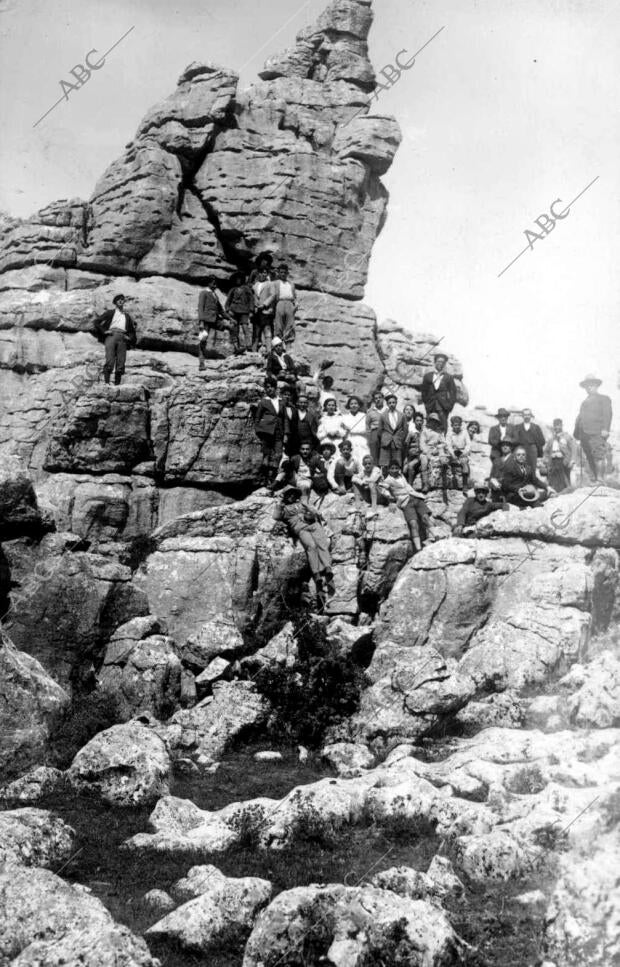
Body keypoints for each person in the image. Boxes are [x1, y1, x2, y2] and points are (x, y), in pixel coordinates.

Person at [273, 486, 334, 596]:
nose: (291, 496)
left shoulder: (301, 504)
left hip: (313, 524)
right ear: (285, 496)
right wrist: (278, 503)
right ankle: (316, 574)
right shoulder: (284, 508)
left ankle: (327, 568)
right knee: (311, 546)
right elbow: (276, 517)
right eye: (289, 494)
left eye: (293, 494)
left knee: (322, 543)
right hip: (300, 528)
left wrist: (308, 509)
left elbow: (315, 512)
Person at [379, 460, 433, 552]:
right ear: (389, 470)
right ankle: (418, 548)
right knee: (413, 523)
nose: (395, 470)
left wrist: (420, 495)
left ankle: (436, 536)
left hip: (415, 498)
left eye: (396, 468)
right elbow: (383, 489)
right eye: (392, 469)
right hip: (405, 502)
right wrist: (390, 501)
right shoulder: (387, 480)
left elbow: (408, 487)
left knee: (426, 518)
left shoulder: (401, 476)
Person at [573, 374, 613, 482]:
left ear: (596, 386)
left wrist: (605, 429)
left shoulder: (603, 399)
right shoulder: (584, 402)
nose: (589, 387)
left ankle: (600, 479)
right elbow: (580, 418)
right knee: (589, 456)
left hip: (597, 432)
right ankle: (595, 478)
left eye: (591, 385)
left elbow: (607, 414)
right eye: (587, 385)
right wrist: (576, 433)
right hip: (584, 435)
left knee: (598, 455)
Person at [95, 294, 137, 385]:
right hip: (111, 335)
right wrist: (104, 331)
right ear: (115, 302)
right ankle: (107, 383)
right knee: (110, 359)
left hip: (122, 337)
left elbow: (132, 330)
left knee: (121, 361)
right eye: (118, 300)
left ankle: (117, 384)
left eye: (122, 300)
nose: (121, 301)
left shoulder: (127, 316)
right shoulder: (110, 313)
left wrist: (129, 338)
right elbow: (97, 322)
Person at [253, 378, 284, 486]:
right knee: (266, 455)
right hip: (267, 433)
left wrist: (287, 433)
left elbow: (284, 418)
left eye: (271, 387)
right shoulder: (263, 402)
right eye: (267, 387)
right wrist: (259, 431)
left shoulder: (281, 401)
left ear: (275, 388)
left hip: (279, 432)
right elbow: (257, 418)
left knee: (278, 454)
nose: (269, 389)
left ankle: (273, 478)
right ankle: (265, 479)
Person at [420, 352, 457, 432]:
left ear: (445, 364)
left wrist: (449, 406)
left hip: (443, 406)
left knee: (443, 425)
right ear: (435, 362)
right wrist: (426, 402)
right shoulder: (428, 376)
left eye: (443, 362)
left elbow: (453, 392)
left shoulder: (449, 377)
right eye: (439, 361)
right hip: (430, 405)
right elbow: (424, 391)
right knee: (429, 424)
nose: (440, 363)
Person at [197, 277, 226, 364]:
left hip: (215, 320)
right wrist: (201, 321)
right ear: (209, 284)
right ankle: (201, 362)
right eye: (213, 283)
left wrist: (230, 318)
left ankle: (237, 348)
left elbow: (221, 310)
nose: (215, 285)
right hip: (206, 320)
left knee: (230, 327)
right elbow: (200, 307)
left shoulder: (215, 295)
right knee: (203, 339)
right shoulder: (204, 293)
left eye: (216, 284)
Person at [419, 412, 450, 492]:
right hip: (426, 451)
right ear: (429, 421)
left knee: (443, 459)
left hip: (436, 450)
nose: (434, 423)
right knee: (424, 462)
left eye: (435, 421)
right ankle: (426, 484)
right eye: (432, 421)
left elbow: (444, 442)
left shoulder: (439, 432)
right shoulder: (425, 431)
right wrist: (427, 452)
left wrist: (438, 447)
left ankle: (443, 482)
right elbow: (422, 444)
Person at [225, 272, 254, 354]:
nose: (238, 280)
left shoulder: (247, 289)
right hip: (233, 311)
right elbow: (228, 301)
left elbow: (251, 299)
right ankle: (236, 347)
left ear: (242, 279)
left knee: (245, 328)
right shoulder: (233, 289)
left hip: (244, 311)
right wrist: (227, 310)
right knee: (234, 329)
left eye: (239, 279)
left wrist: (251, 310)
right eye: (236, 279)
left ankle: (249, 346)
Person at [543, 419, 574, 492]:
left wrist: (572, 461)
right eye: (555, 426)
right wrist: (546, 459)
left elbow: (573, 449)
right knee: (552, 480)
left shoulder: (567, 437)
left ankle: (566, 492)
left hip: (563, 461)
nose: (557, 427)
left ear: (561, 426)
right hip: (553, 461)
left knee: (565, 480)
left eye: (558, 425)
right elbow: (546, 451)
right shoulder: (551, 438)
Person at [378, 393, 407, 469]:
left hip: (397, 442)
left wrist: (401, 439)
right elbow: (379, 430)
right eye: (390, 403)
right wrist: (384, 439)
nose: (392, 404)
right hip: (386, 443)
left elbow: (405, 430)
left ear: (396, 403)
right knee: (385, 464)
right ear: (387, 404)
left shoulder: (402, 415)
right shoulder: (383, 415)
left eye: (393, 402)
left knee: (397, 463)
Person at [272, 264, 297, 345]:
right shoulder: (275, 283)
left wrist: (296, 304)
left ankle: (288, 344)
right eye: (281, 272)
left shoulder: (291, 284)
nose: (283, 274)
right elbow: (272, 295)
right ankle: (278, 345)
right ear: (279, 273)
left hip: (289, 303)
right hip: (280, 303)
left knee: (290, 324)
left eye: (285, 272)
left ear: (287, 273)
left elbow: (294, 296)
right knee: (278, 325)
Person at [252, 267, 275, 353]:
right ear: (258, 274)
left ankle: (269, 351)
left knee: (267, 330)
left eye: (265, 273)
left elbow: (273, 295)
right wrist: (255, 306)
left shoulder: (270, 284)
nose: (263, 274)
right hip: (257, 311)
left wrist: (264, 304)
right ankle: (253, 351)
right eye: (261, 273)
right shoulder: (256, 284)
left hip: (266, 310)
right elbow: (254, 296)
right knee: (256, 331)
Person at [446, 415, 471, 493]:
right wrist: (452, 454)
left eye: (458, 425)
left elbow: (468, 444)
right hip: (453, 452)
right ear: (452, 425)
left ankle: (465, 485)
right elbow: (448, 445)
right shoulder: (449, 433)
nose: (457, 427)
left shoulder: (464, 432)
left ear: (461, 425)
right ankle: (449, 484)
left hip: (462, 452)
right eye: (455, 425)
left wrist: (464, 453)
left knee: (464, 463)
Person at [341, 396, 370, 464]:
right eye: (351, 404)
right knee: (351, 461)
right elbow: (342, 431)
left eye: (356, 403)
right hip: (350, 440)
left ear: (359, 405)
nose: (354, 406)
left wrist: (350, 429)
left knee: (363, 459)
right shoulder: (344, 417)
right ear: (349, 405)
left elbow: (364, 429)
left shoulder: (364, 416)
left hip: (362, 440)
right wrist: (345, 430)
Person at [365, 390, 387, 465]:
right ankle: (375, 471)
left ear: (383, 399)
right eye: (376, 398)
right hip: (374, 433)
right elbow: (367, 426)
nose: (378, 400)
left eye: (379, 398)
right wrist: (369, 438)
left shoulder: (388, 410)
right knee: (374, 454)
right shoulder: (370, 411)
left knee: (385, 454)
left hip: (385, 433)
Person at [280, 386, 299, 457]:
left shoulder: (293, 408)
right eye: (285, 395)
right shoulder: (279, 406)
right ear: (281, 395)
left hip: (292, 436)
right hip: (281, 434)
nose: (287, 397)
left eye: (289, 395)